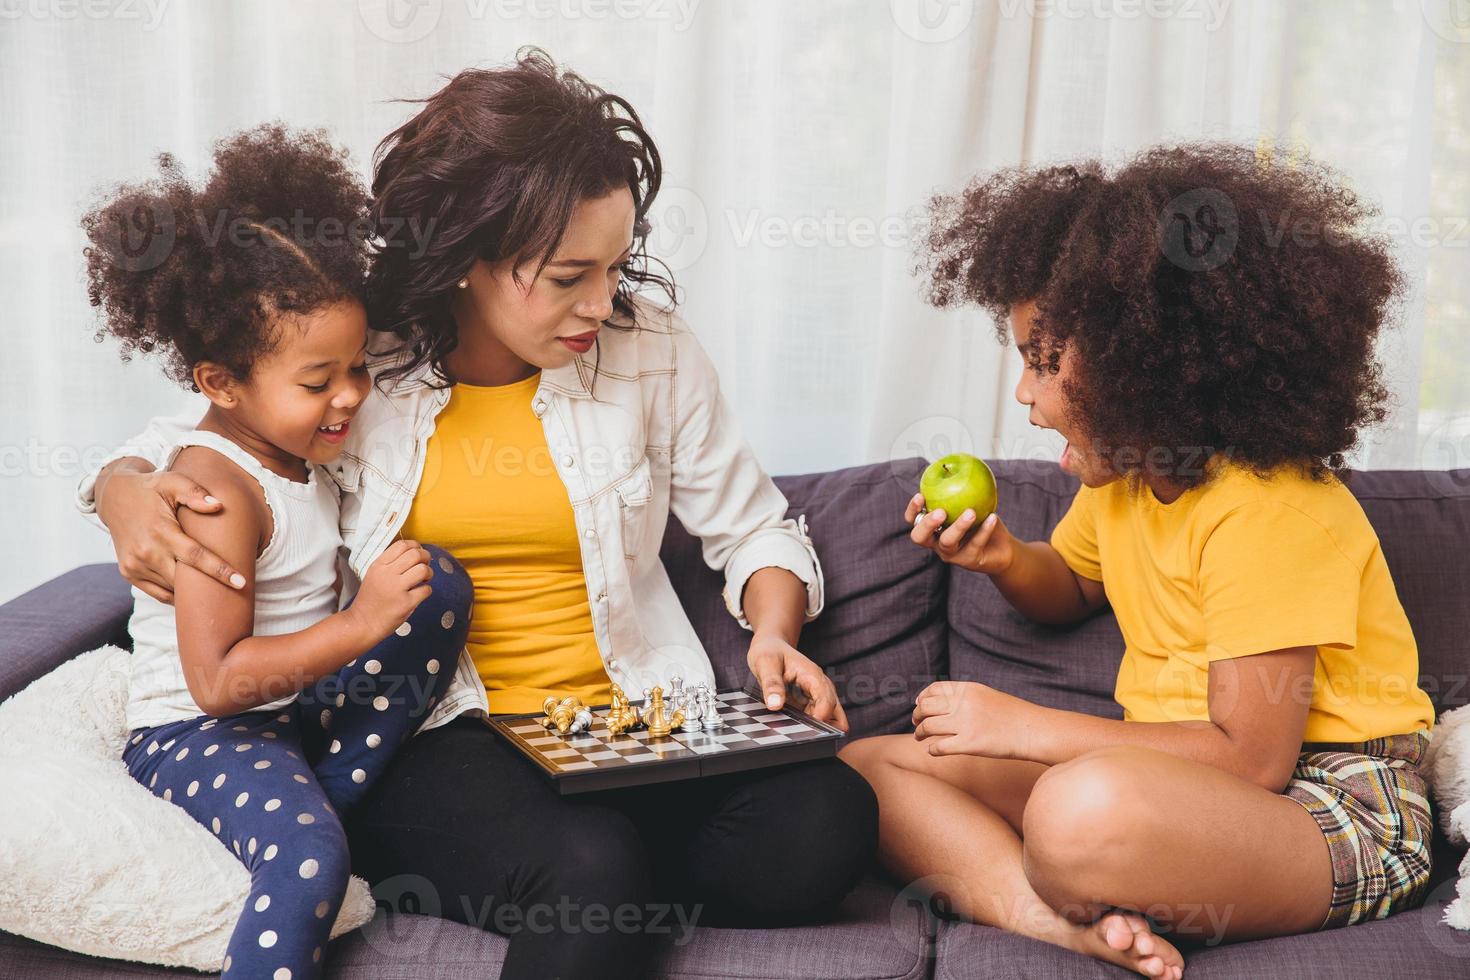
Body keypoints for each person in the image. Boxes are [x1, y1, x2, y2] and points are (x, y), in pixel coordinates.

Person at [79, 52, 877, 979]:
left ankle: (587, 873)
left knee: (827, 822)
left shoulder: (648, 351)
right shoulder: (351, 349)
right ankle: (585, 875)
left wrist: (775, 632)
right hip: (442, 733)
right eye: (570, 273)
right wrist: (118, 486)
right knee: (590, 871)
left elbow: (754, 527)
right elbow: (210, 421)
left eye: (617, 265)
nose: (604, 301)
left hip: (626, 726)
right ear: (467, 260)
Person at [841, 144, 1436, 979]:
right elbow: (1074, 585)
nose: (1024, 395)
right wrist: (1004, 557)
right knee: (868, 767)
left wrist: (1025, 728)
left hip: (1332, 803)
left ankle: (1084, 871)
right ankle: (1056, 925)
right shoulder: (1125, 483)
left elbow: (1252, 757)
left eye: (1044, 362)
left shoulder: (1272, 507)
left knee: (1078, 811)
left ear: (1143, 365)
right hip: (1166, 784)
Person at [81, 124, 471, 980]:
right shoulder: (218, 491)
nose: (348, 397)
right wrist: (363, 622)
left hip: (284, 714)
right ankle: (310, 834)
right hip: (200, 734)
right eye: (317, 380)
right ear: (220, 384)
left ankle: (322, 801)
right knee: (309, 860)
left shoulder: (293, 453)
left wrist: (384, 615)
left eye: (358, 368)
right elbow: (217, 685)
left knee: (436, 585)